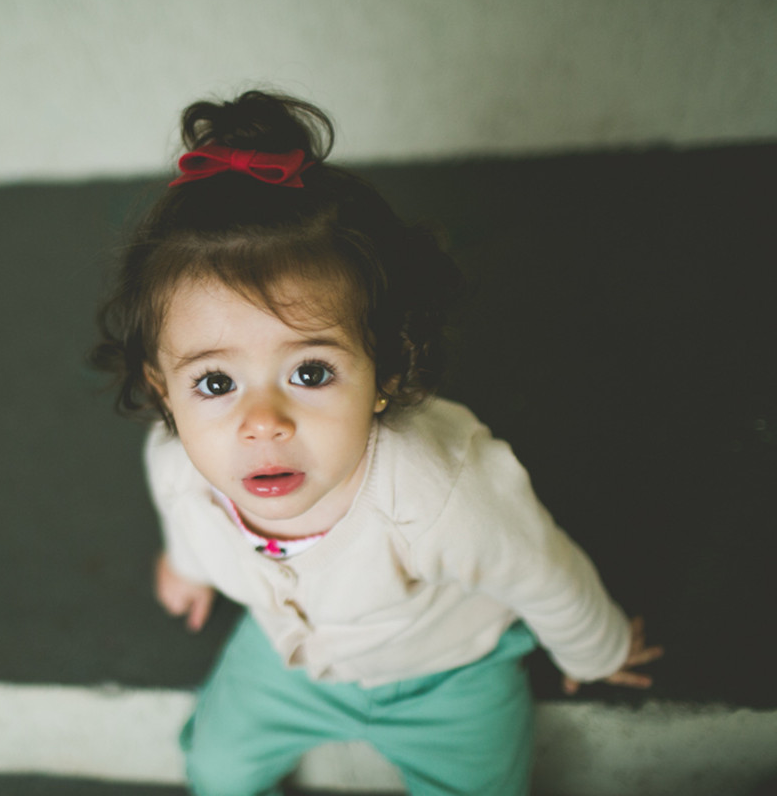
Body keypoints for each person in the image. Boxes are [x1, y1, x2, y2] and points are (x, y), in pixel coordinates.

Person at [91, 90, 662, 796]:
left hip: (445, 675)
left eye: (310, 372)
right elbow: (184, 514)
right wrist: (189, 566)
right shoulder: (179, 463)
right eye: (214, 383)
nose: (262, 421)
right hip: (286, 662)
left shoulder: (439, 491)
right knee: (215, 768)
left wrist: (598, 649)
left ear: (385, 372)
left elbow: (540, 569)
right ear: (162, 390)